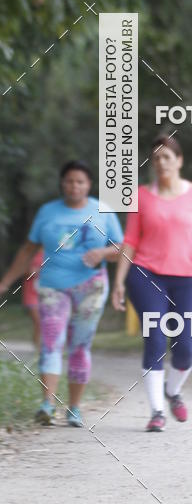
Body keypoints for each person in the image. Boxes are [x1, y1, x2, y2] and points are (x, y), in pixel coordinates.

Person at [0, 161, 123, 426]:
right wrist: (6, 281)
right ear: (62, 183)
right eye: (69, 181)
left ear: (88, 185)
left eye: (80, 182)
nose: (74, 186)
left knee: (80, 346)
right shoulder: (48, 212)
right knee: (51, 341)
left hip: (91, 287)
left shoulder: (103, 211)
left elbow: (122, 249)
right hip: (53, 286)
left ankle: (75, 408)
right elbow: (28, 250)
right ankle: (47, 404)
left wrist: (102, 252)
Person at [112, 134, 192, 432]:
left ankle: (173, 391)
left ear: (179, 160)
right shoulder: (140, 195)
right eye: (156, 158)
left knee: (185, 347)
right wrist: (119, 281)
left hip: (190, 277)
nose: (161, 163)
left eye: (167, 157)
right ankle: (157, 411)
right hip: (146, 274)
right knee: (155, 338)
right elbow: (130, 241)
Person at [22, 249, 43, 350]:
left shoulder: (52, 252)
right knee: (38, 321)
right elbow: (22, 270)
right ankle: (37, 347)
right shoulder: (31, 253)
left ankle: (39, 345)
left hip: (45, 294)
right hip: (31, 294)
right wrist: (31, 271)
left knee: (43, 322)